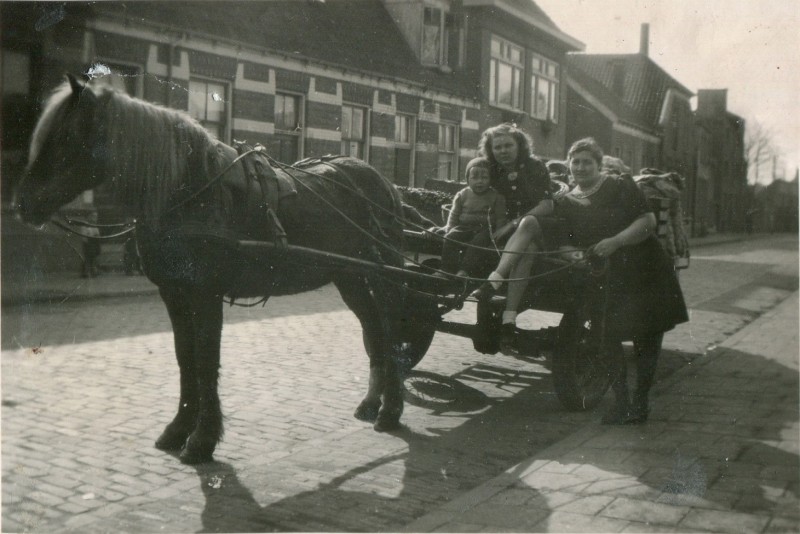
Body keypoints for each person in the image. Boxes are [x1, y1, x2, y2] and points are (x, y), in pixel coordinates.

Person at [558, 138, 688, 424]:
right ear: (569, 164)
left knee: (646, 338)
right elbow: (562, 242)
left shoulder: (620, 186)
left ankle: (640, 403)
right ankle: (621, 402)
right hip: (606, 275)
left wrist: (615, 242)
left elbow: (647, 222)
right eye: (575, 162)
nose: (580, 167)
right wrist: (574, 255)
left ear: (598, 164)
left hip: (644, 269)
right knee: (608, 338)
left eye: (587, 162)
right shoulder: (565, 201)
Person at [465, 124, 554, 350]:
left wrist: (514, 223)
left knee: (528, 224)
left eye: (508, 145)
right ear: (491, 149)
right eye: (497, 147)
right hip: (513, 238)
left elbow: (547, 204)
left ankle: (494, 279)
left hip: (540, 227)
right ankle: (509, 319)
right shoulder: (491, 170)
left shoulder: (534, 166)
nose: (503, 151)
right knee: (528, 250)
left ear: (519, 145)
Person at [440, 157, 507, 276]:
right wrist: (450, 227)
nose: (479, 181)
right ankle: (446, 269)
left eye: (484, 177)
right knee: (450, 237)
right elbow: (454, 214)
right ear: (467, 179)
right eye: (474, 178)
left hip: (485, 230)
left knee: (477, 243)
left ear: (491, 179)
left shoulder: (496, 196)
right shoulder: (463, 194)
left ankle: (464, 270)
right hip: (464, 227)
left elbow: (501, 217)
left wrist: (498, 233)